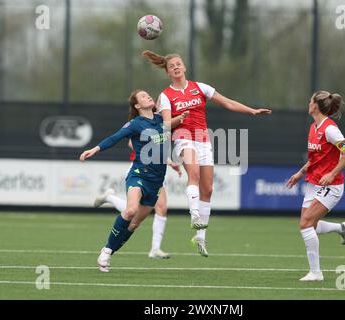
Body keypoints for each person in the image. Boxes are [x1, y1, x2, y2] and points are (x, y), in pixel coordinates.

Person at [142, 50, 272, 257]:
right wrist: (178, 119)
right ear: (168, 73)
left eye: (178, 64)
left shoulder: (200, 88)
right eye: (171, 66)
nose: (176, 67)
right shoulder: (166, 96)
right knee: (193, 175)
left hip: (203, 139)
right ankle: (194, 215)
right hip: (183, 137)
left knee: (208, 189)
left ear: (184, 67)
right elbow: (166, 124)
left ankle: (200, 237)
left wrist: (252, 111)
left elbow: (228, 103)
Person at [79, 89, 169, 272]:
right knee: (130, 211)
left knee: (134, 224)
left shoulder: (162, 120)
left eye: (148, 94)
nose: (148, 96)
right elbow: (115, 138)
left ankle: (108, 251)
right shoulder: (135, 124)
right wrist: (95, 149)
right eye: (143, 96)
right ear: (137, 105)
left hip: (156, 181)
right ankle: (105, 251)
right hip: (139, 174)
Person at [286, 90, 345, 281]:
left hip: (331, 186)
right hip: (313, 183)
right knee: (310, 225)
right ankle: (341, 228)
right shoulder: (313, 127)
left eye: (310, 101)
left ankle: (316, 273)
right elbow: (315, 159)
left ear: (315, 105)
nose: (308, 103)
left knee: (305, 223)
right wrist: (300, 174)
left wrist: (332, 173)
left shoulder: (330, 129)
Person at [93, 140, 182, 260]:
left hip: (158, 172)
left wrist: (169, 162)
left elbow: (160, 148)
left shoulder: (164, 125)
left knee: (161, 208)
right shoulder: (144, 122)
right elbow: (131, 142)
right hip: (141, 170)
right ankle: (110, 198)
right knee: (132, 212)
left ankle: (155, 249)